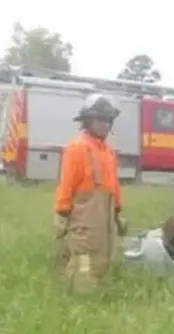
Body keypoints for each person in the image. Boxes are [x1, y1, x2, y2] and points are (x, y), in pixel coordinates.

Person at [54, 93, 126, 293]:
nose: (104, 124)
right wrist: (61, 213)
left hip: (105, 213)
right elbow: (66, 183)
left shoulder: (108, 151)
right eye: (100, 119)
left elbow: (113, 184)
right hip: (83, 214)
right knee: (83, 259)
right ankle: (79, 302)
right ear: (88, 120)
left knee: (102, 257)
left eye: (108, 120)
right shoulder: (77, 147)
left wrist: (118, 211)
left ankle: (92, 297)